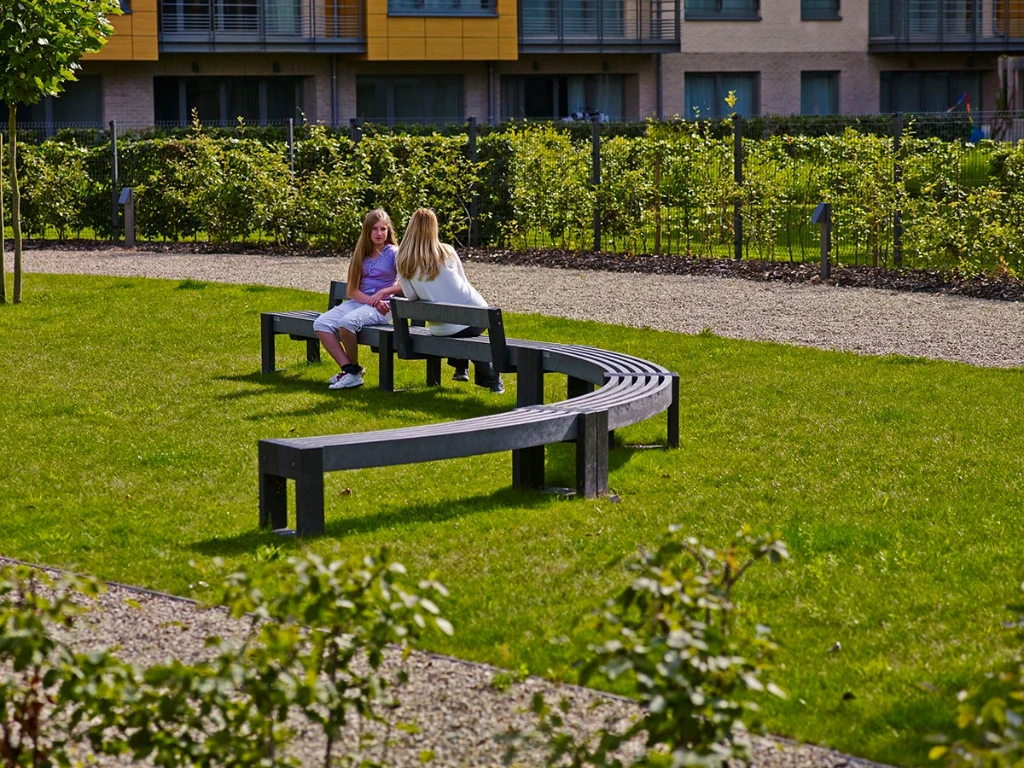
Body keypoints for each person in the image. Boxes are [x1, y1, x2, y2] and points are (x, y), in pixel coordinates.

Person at [395, 208, 504, 394]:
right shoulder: (448, 251)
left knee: (455, 322)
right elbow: (463, 281)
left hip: (441, 328)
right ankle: (491, 379)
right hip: (477, 318)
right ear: (434, 228)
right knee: (464, 323)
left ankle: (461, 367)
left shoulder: (403, 259)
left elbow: (411, 296)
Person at [313, 209, 403, 389]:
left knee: (346, 323)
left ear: (388, 231)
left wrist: (383, 293)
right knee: (321, 324)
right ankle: (351, 370)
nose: (379, 233)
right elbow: (352, 290)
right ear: (367, 231)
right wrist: (373, 300)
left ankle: (351, 374)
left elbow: (408, 284)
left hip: (384, 308)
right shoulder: (360, 254)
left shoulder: (394, 253)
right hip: (361, 302)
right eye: (375, 229)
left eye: (383, 229)